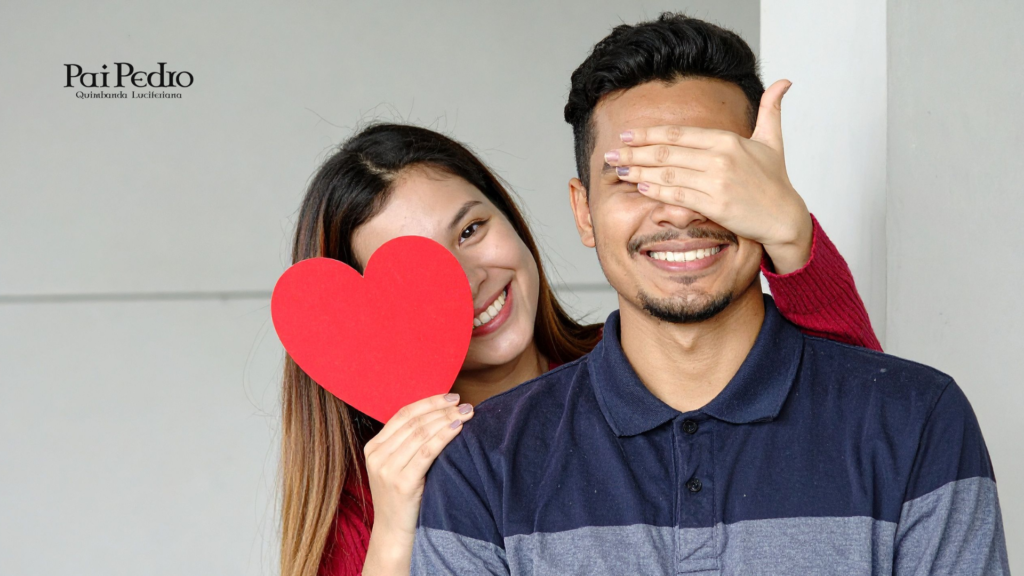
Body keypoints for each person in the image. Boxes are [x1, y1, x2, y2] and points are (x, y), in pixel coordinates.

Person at [411, 13, 1008, 576]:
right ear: (583, 211)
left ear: (765, 186)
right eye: (634, 177)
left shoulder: (920, 420)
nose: (675, 209)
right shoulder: (482, 462)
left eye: (709, 173)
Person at [280, 120, 880, 576]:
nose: (467, 282)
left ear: (512, 218)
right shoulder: (368, 494)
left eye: (470, 230)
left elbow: (861, 406)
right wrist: (393, 534)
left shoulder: (643, 366)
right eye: (419, 275)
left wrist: (790, 236)